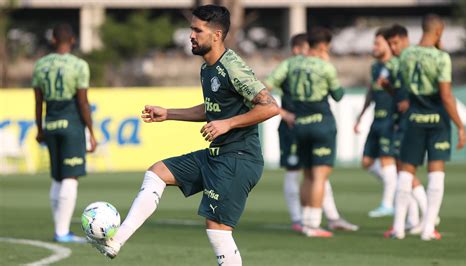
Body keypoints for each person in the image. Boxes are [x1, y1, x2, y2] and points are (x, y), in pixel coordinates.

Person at [88, 5, 279, 264]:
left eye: (197, 30)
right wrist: (169, 113)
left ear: (216, 35)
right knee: (157, 172)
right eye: (191, 28)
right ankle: (116, 241)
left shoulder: (233, 67)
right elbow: (212, 109)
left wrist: (228, 124)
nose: (191, 35)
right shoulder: (207, 69)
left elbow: (270, 107)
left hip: (238, 158)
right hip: (216, 154)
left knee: (217, 230)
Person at [266, 34, 358, 233]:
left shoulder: (290, 64)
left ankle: (306, 221)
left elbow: (265, 87)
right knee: (319, 176)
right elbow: (338, 95)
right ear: (324, 46)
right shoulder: (325, 66)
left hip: (298, 125)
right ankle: (315, 224)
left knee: (307, 174)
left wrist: (281, 112)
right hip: (320, 123)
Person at [390, 14, 466, 240]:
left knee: (406, 172)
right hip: (436, 120)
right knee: (436, 173)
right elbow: (446, 95)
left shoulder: (406, 55)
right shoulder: (441, 57)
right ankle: (427, 229)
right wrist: (460, 126)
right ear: (439, 31)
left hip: (413, 118)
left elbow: (401, 89)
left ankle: (398, 228)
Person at [33, 23, 97, 243]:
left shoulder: (40, 65)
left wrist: (40, 129)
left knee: (57, 177)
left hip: (50, 124)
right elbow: (83, 102)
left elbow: (38, 101)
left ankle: (60, 228)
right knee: (70, 177)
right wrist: (91, 131)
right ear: (72, 41)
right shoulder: (79, 65)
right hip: (71, 125)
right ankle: (62, 232)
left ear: (52, 39)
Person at [381, 24, 432, 236]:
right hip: (403, 122)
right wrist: (396, 95)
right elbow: (384, 83)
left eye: (395, 43)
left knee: (406, 170)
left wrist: (411, 101)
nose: (392, 48)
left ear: (405, 39)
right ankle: (417, 219)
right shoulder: (397, 63)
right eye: (389, 44)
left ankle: (428, 217)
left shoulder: (412, 59)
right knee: (405, 170)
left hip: (416, 122)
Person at [354, 28, 398, 218]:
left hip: (391, 119)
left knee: (387, 160)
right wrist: (361, 115)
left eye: (378, 43)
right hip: (376, 119)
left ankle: (388, 203)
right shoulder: (375, 67)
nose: (374, 47)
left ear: (389, 44)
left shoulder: (397, 65)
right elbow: (371, 92)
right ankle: (398, 189)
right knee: (367, 162)